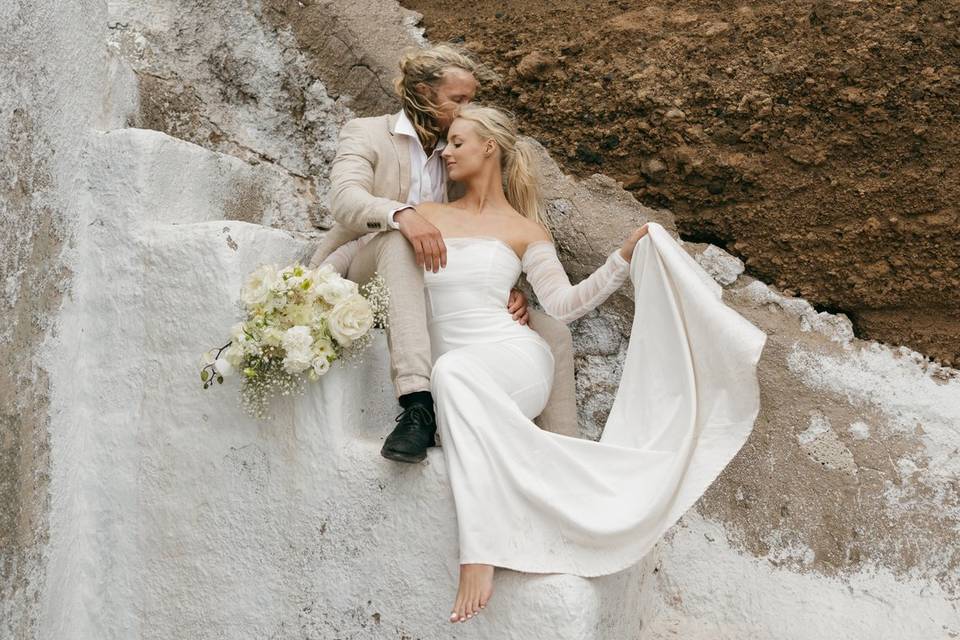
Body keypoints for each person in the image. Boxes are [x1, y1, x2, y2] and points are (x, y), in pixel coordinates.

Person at [402, 104, 766, 624]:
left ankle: (478, 552)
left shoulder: (525, 230)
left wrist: (623, 256)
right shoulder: (426, 215)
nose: (446, 151)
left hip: (513, 360)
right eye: (445, 143)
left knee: (453, 372)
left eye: (458, 141)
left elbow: (565, 304)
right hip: (455, 369)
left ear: (490, 147)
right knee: (451, 372)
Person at [308, 44, 579, 464]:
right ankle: (418, 405)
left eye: (470, 100)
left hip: (436, 283)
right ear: (422, 92)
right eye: (458, 100)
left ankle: (569, 454)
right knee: (400, 242)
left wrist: (508, 286)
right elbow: (345, 200)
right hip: (367, 269)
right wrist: (402, 215)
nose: (465, 110)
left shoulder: (456, 152)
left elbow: (482, 226)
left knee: (553, 333)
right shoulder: (367, 132)